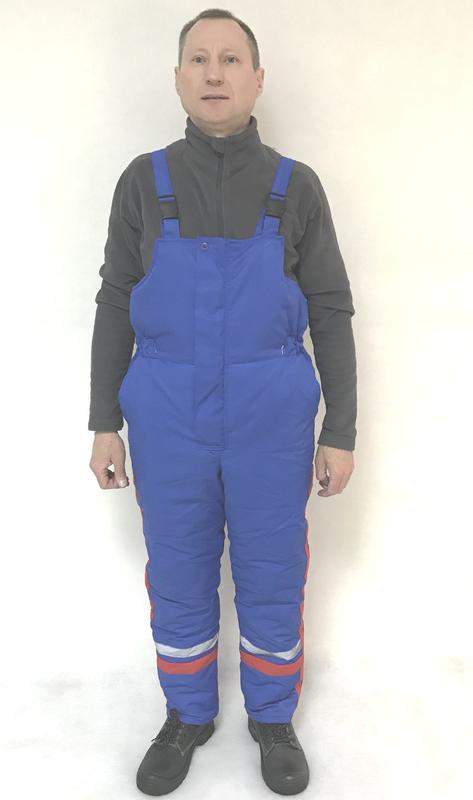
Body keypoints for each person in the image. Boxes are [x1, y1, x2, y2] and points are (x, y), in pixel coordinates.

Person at [88, 8, 357, 797]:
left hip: (271, 418)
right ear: (178, 78)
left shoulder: (295, 186)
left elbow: (330, 309)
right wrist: (103, 420)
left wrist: (340, 429)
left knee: (272, 569)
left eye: (231, 59)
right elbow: (114, 301)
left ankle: (271, 719)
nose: (214, 72)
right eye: (199, 59)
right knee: (177, 570)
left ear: (256, 79)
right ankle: (187, 714)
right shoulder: (143, 182)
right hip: (165, 414)